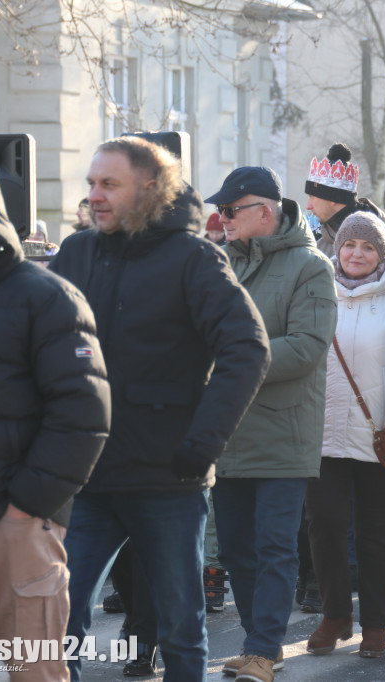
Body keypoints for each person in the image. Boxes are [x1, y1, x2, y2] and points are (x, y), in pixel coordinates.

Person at [50, 136, 270, 682]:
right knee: (53, 623)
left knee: (180, 630)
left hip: (168, 478)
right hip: (83, 478)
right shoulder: (75, 254)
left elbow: (248, 349)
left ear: (148, 189)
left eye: (109, 184)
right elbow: (32, 347)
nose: (95, 195)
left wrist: (202, 443)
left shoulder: (193, 258)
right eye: (91, 184)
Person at [0, 149, 110, 682]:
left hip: (13, 530)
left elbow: (83, 412)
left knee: (36, 675)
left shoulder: (46, 297)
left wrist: (27, 510)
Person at [206, 166, 336, 682]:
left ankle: (264, 646)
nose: (223, 219)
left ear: (265, 211)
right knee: (235, 547)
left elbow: (306, 348)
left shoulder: (312, 267)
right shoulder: (220, 264)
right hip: (228, 431)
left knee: (274, 546)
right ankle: (260, 643)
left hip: (283, 433)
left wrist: (231, 361)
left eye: (232, 210)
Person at [305, 212, 385, 660]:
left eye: (368, 247)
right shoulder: (317, 290)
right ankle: (335, 614)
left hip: (381, 432)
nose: (357, 254)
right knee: (324, 524)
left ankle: (376, 624)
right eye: (350, 245)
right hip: (323, 431)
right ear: (337, 249)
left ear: (383, 253)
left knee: (377, 533)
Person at [304, 143, 385, 258]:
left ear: (333, 198)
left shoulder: (383, 236)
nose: (308, 206)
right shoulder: (316, 245)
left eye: (312, 197)